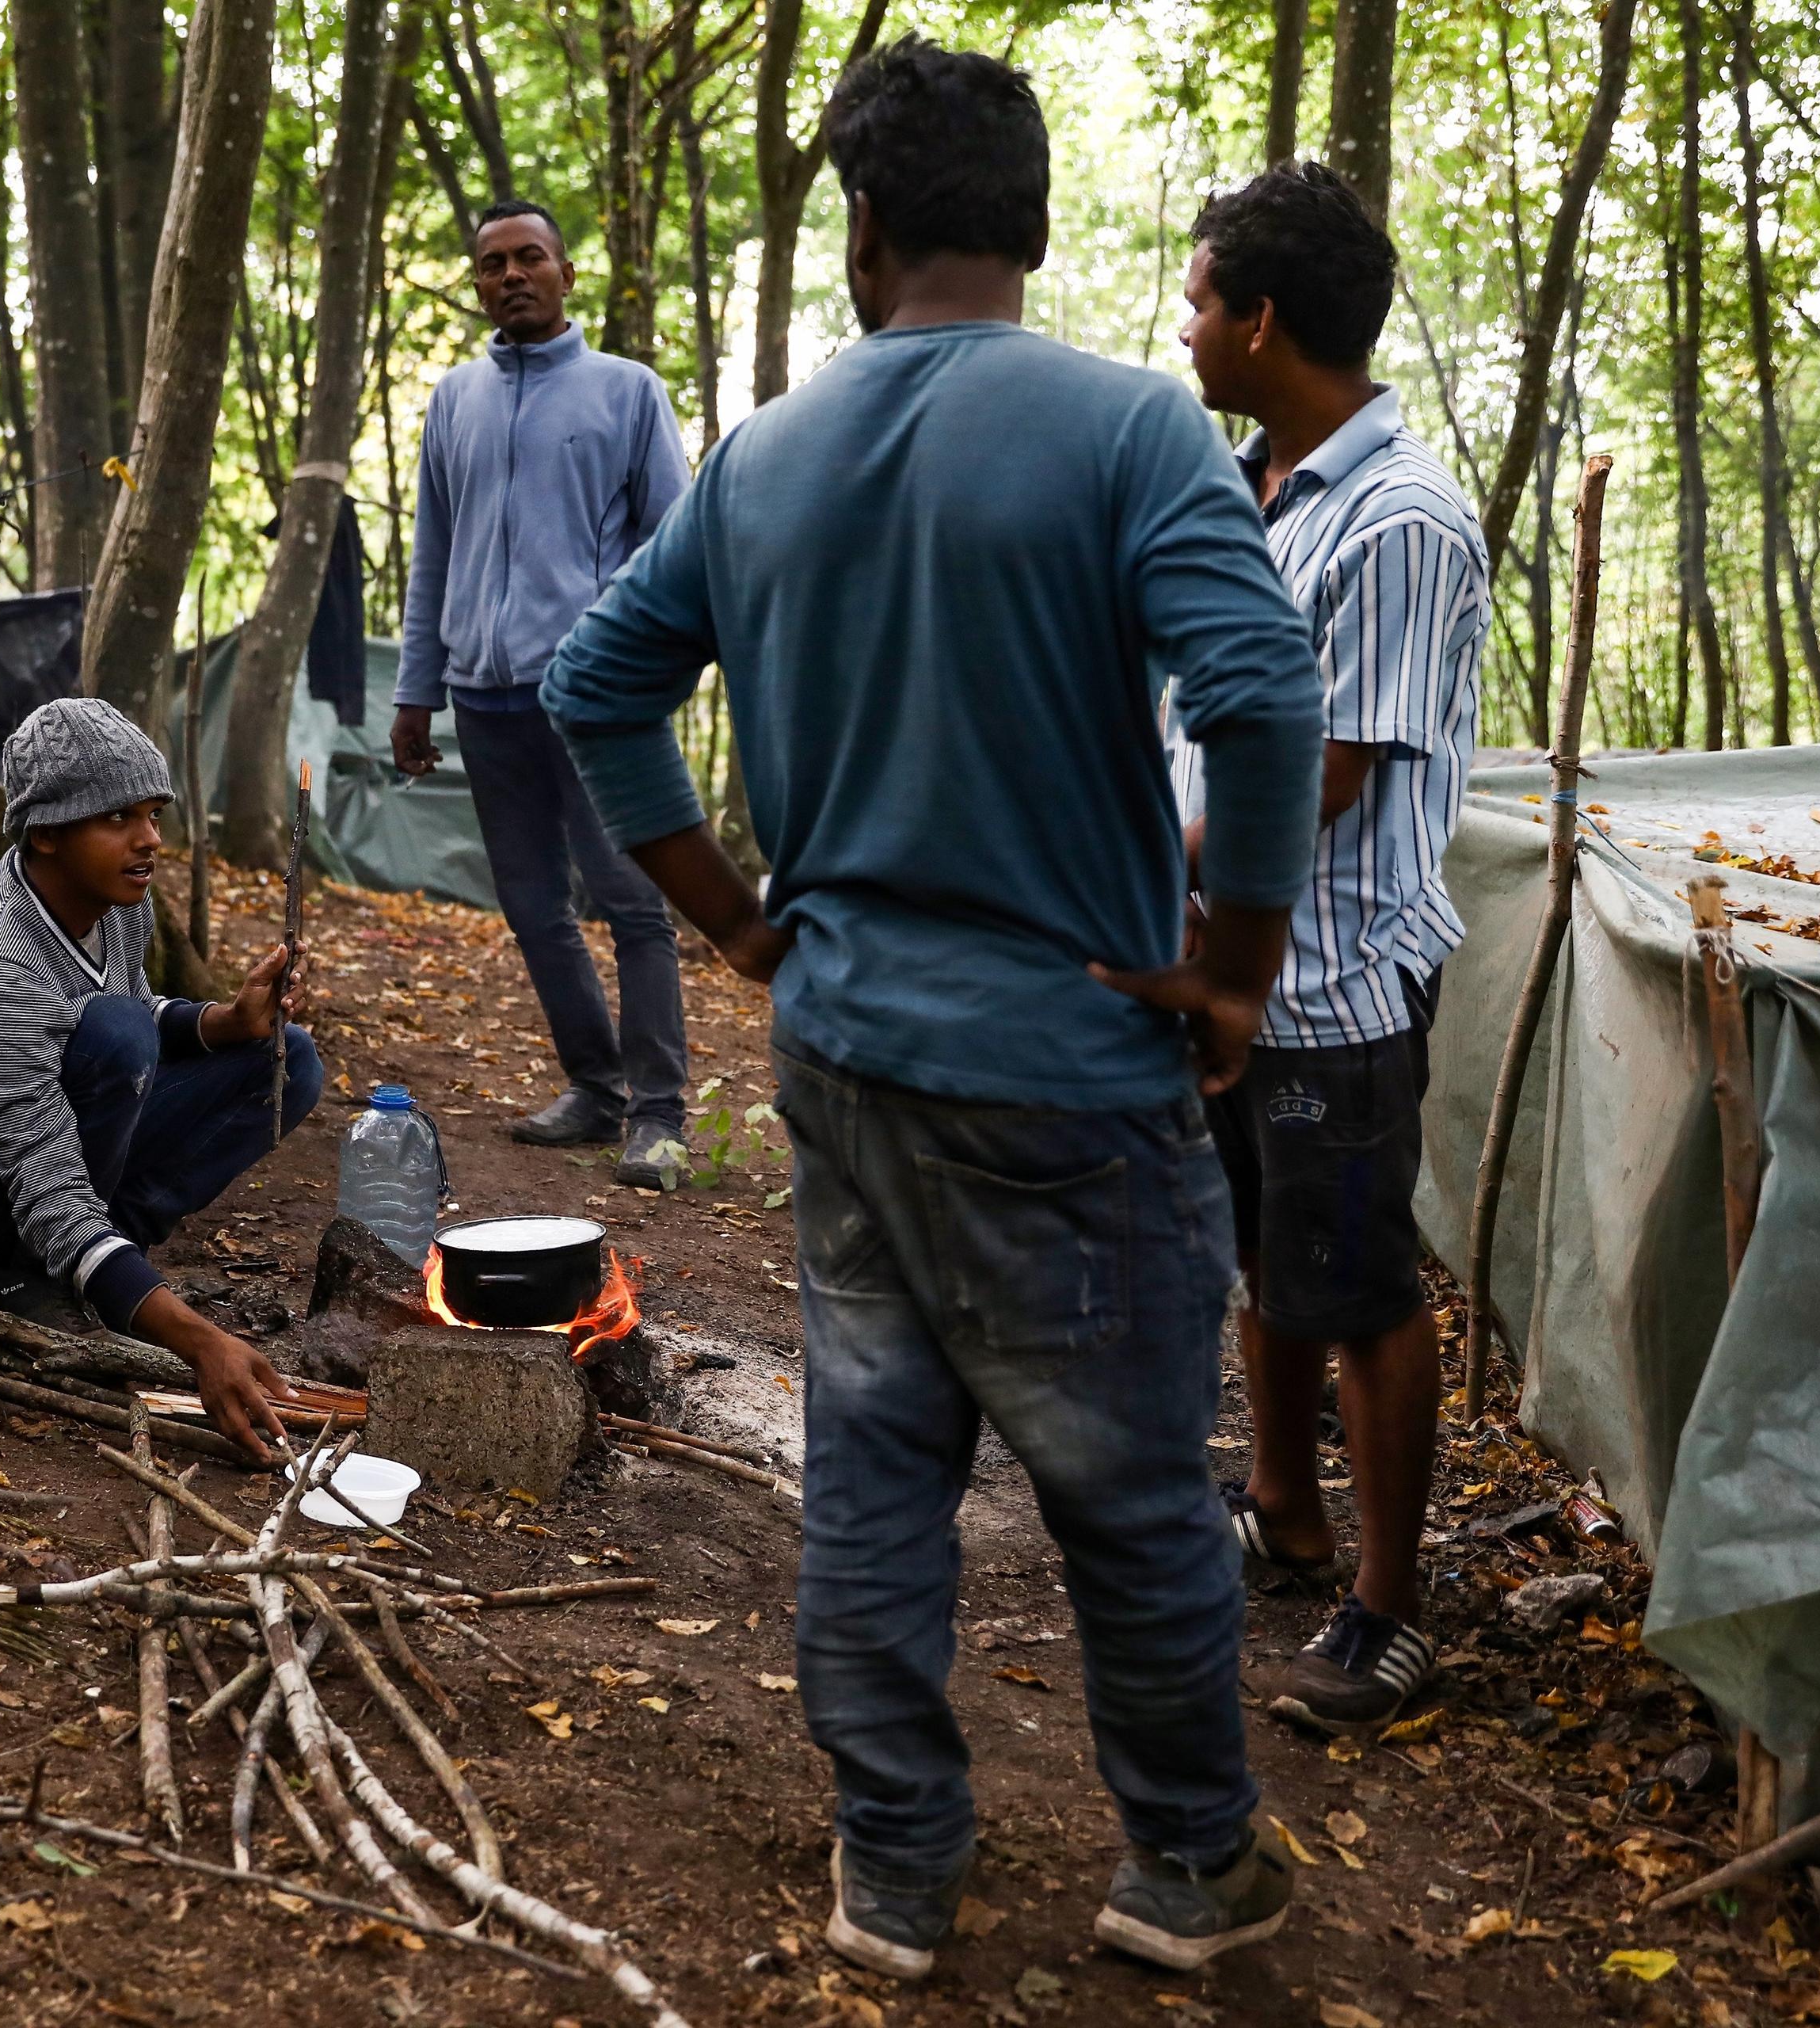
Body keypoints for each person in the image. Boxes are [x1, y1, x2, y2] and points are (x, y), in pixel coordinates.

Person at [542, 39, 1328, 1982]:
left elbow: (591, 686)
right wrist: (1232, 970)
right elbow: (1269, 694)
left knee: (876, 1461)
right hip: (1069, 1071)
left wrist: (733, 921)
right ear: (1033, 224)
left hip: (848, 1057)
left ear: (864, 228)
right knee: (1134, 1485)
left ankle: (892, 1866)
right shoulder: (1135, 432)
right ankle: (1184, 1861)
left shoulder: (766, 453)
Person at [1168, 164, 1491, 1730]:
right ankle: (1285, 1512)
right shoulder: (1246, 486)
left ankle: (1389, 1609)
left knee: (1358, 1279)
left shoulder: (1404, 518)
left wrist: (1129, 861)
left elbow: (1324, 772)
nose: (1186, 320)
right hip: (1232, 968)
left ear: (1262, 317)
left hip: (1337, 976)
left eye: (1199, 294)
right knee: (1264, 1247)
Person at [0, 697, 322, 1463]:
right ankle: (21, 1276)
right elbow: (49, 1175)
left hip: (47, 1157)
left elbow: (139, 1008)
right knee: (115, 1038)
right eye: (117, 819)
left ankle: (110, 1256)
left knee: (287, 1060)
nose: (148, 842)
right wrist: (199, 1342)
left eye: (153, 814)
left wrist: (229, 1024)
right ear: (45, 831)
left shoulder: (114, 901)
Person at [390, 196, 695, 1188]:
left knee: (634, 904)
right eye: (491, 265)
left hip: (596, 699)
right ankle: (597, 1087)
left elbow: (674, 542)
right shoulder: (454, 400)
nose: (510, 275)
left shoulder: (628, 392)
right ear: (478, 284)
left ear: (568, 274)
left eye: (529, 259)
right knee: (532, 904)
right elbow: (433, 551)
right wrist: (414, 689)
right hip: (484, 697)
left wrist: (615, 649)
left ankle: (658, 1116)